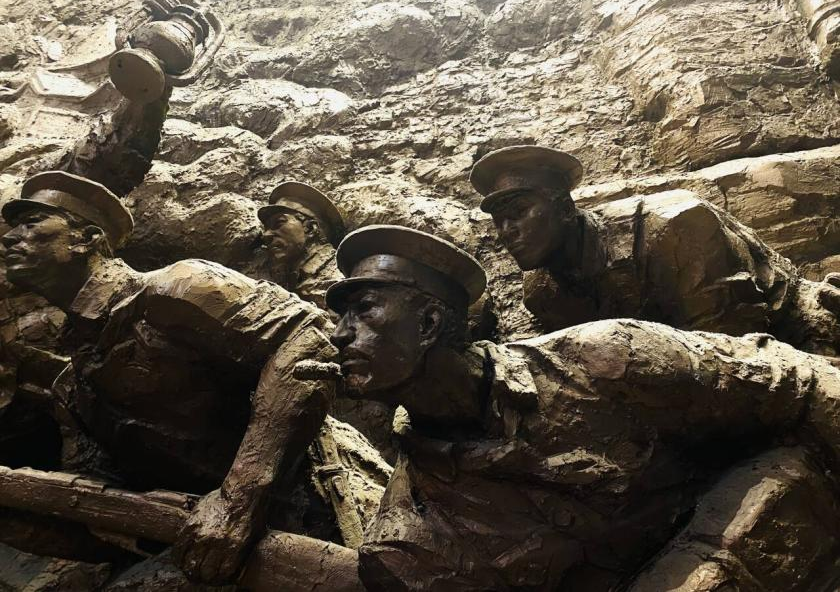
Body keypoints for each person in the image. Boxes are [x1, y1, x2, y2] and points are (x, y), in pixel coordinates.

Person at [174, 224, 840, 590]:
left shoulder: (607, 360)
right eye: (337, 316)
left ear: (429, 324)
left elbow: (805, 386)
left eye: (362, 310)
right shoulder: (407, 538)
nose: (338, 334)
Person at [0, 171, 342, 583]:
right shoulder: (72, 386)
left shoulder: (177, 287)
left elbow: (309, 340)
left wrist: (238, 500)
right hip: (216, 547)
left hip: (321, 504)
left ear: (86, 239)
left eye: (31, 223)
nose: (9, 238)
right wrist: (19, 516)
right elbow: (116, 521)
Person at [471, 145, 840, 354]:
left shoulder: (670, 226)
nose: (506, 232)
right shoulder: (543, 292)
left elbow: (738, 347)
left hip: (800, 336)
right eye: (498, 221)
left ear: (566, 209)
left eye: (519, 212)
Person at [258, 181, 345, 309]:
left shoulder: (339, 276)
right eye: (266, 229)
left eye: (279, 223)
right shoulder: (288, 279)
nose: (266, 235)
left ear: (310, 228)